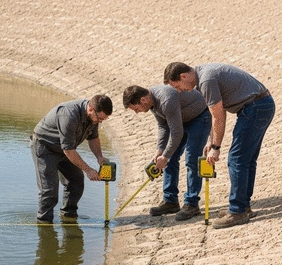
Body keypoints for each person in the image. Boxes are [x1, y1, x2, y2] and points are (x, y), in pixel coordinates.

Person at [164, 62, 275, 229]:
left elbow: (218, 117)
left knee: (236, 159)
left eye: (177, 86)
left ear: (183, 76)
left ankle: (238, 211)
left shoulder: (206, 80)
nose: (179, 90)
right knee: (247, 159)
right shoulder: (203, 75)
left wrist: (216, 148)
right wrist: (212, 141)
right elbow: (217, 112)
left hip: (255, 108)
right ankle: (243, 206)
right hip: (260, 105)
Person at [123, 84, 211, 221]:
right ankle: (171, 201)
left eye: (136, 108)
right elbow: (163, 126)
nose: (137, 112)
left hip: (199, 118)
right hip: (181, 120)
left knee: (191, 160)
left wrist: (165, 156)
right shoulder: (151, 102)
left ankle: (192, 204)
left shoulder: (166, 100)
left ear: (143, 100)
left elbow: (176, 133)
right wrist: (160, 151)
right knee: (168, 158)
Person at [31, 94, 113, 224]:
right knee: (49, 190)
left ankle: (68, 216)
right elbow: (69, 150)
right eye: (100, 118)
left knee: (76, 180)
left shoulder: (93, 117)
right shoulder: (69, 115)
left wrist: (99, 157)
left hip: (64, 149)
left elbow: (93, 138)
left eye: (104, 119)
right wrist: (88, 170)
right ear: (91, 108)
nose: (100, 121)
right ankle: (44, 223)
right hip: (45, 147)